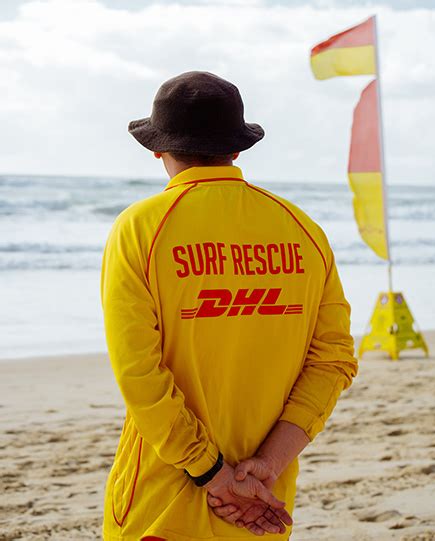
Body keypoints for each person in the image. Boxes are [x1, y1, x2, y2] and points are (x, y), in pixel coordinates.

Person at [101, 71, 358, 541]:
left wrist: (212, 473)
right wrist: (267, 465)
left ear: (157, 148)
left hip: (162, 502)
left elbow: (140, 376)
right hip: (263, 501)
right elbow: (333, 360)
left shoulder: (140, 228)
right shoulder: (302, 231)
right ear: (236, 150)